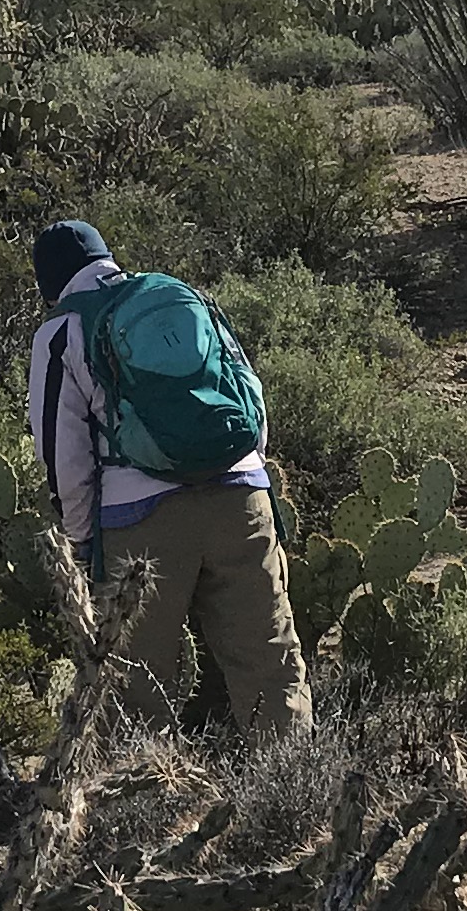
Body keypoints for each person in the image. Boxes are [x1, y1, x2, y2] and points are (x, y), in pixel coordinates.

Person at [26, 217, 313, 735]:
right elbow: (249, 393)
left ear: (50, 283)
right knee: (270, 662)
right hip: (241, 493)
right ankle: (299, 793)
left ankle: (145, 804)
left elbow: (63, 455)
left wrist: (82, 543)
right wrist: (244, 472)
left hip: (140, 521)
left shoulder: (61, 331)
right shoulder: (184, 299)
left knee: (133, 682)